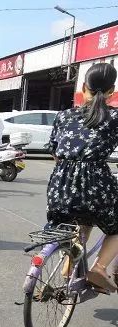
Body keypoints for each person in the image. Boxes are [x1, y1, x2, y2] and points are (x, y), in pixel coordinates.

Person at [46, 62, 118, 293]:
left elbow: (56, 153)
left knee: (79, 222)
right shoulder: (114, 117)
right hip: (96, 184)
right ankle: (99, 268)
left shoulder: (64, 115)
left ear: (84, 87)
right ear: (111, 91)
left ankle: (68, 270)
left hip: (61, 187)